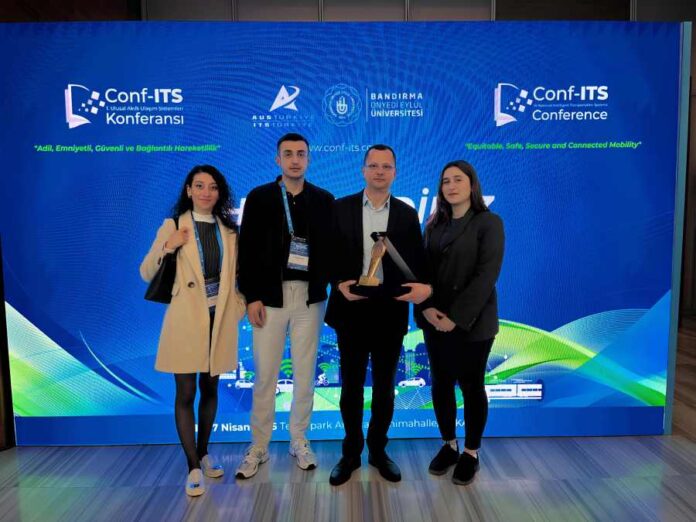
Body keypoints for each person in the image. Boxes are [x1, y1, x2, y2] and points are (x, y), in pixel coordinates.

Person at [325, 144, 429, 486]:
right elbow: (327, 255)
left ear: (395, 172)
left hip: (389, 310)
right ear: (363, 170)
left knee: (385, 388)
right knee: (351, 387)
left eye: (386, 166)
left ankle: (379, 451)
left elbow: (414, 261)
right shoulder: (340, 208)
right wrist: (338, 283)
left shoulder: (406, 214)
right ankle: (351, 453)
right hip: (351, 309)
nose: (379, 171)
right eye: (373, 165)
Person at [140, 165, 246, 496]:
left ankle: (204, 452)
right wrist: (168, 247)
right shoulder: (172, 225)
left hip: (219, 319)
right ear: (188, 190)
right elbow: (146, 272)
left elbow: (237, 277)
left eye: (212, 187)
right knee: (185, 394)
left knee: (210, 389)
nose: (205, 192)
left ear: (220, 192)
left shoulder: (229, 230)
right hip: (186, 320)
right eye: (199, 186)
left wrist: (237, 308)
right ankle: (192, 466)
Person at [236, 133, 334, 478]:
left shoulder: (324, 199)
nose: (295, 160)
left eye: (301, 154)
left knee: (305, 374)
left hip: (309, 299)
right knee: (265, 375)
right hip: (269, 298)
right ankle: (259, 445)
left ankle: (299, 440)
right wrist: (251, 296)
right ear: (278, 160)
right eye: (288, 154)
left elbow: (333, 249)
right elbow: (246, 251)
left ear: (309, 159)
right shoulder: (260, 197)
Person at [415, 160, 504, 485]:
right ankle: (449, 445)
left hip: (473, 323)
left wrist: (456, 318)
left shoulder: (488, 222)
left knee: (471, 386)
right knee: (440, 385)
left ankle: (470, 452)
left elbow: (486, 276)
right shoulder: (433, 225)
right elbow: (422, 272)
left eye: (458, 180)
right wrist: (426, 309)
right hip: (434, 320)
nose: (451, 186)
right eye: (446, 181)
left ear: (472, 185)